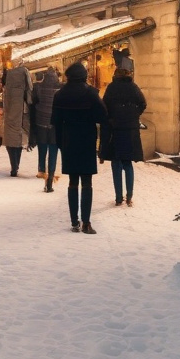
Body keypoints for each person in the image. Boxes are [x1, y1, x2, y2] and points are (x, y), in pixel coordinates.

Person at [52, 61, 108, 234]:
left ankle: (74, 222)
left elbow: (55, 121)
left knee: (72, 182)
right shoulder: (91, 93)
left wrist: (61, 143)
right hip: (86, 140)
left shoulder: (60, 95)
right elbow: (103, 116)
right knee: (87, 181)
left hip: (69, 140)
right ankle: (86, 223)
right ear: (83, 76)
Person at [100, 62, 146, 206]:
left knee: (116, 163)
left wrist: (112, 118)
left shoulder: (111, 88)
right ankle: (130, 196)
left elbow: (104, 106)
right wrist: (133, 116)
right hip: (131, 130)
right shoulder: (134, 87)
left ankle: (118, 197)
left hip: (115, 129)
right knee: (128, 163)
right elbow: (143, 104)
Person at [32, 65, 62, 192]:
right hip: (55, 123)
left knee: (42, 148)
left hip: (41, 122)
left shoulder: (38, 87)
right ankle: (50, 178)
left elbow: (33, 101)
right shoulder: (60, 88)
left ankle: (41, 171)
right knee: (53, 151)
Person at [1, 58, 33, 177]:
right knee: (18, 141)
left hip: (9, 114)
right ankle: (16, 165)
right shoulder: (24, 73)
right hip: (20, 114)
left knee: (10, 141)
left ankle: (13, 166)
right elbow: (30, 93)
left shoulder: (7, 82)